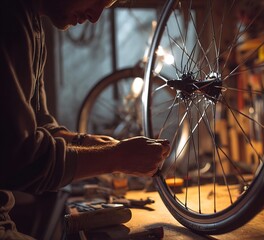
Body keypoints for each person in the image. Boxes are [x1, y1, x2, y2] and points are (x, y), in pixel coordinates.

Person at [0, 0, 170, 239]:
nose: (96, 17)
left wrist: (94, 143)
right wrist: (116, 157)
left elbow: (42, 127)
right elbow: (21, 159)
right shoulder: (9, 17)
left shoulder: (33, 24)